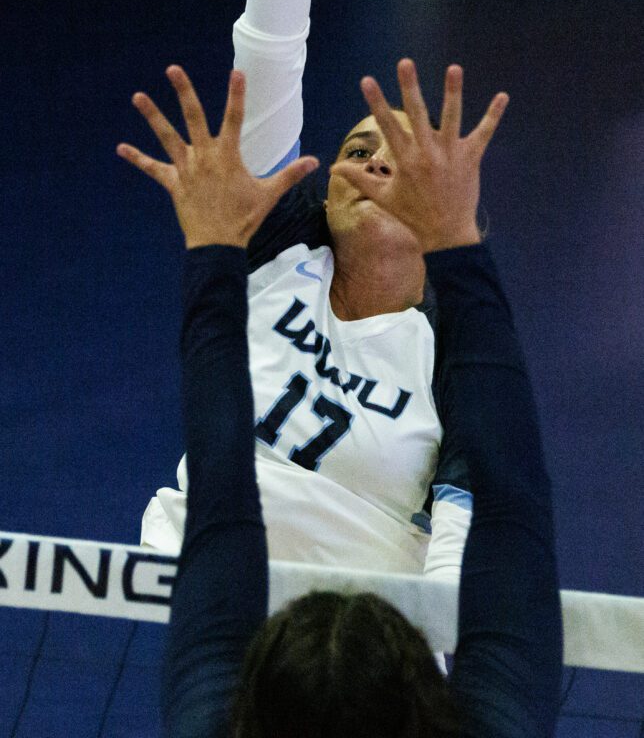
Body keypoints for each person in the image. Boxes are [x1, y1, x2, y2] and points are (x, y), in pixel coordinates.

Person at [117, 60, 563, 737]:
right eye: (358, 151)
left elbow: (223, 482)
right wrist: (457, 240)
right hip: (380, 644)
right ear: (325, 195)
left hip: (248, 599)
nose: (378, 165)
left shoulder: (436, 349)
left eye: (407, 164)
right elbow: (516, 511)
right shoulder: (284, 255)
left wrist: (208, 253)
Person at [140, 0, 471, 583]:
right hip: (207, 599)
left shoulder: (461, 362)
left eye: (396, 153)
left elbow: (462, 552)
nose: (366, 159)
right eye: (357, 148)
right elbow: (273, 47)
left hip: (356, 647)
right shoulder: (271, 258)